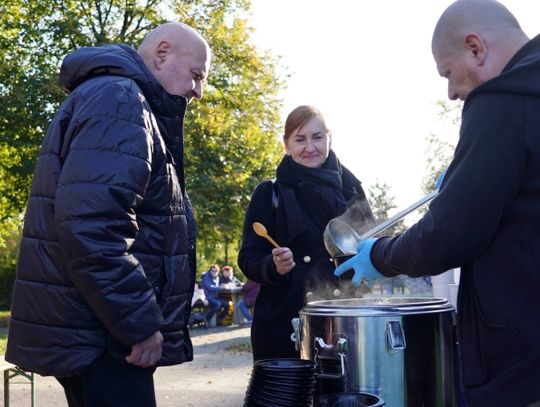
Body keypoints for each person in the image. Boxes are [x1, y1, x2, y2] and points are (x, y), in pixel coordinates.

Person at [335, 1, 540, 406]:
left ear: (475, 48)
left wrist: (380, 254)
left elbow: (448, 235)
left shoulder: (500, 100)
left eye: (447, 73)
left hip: (524, 364)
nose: (450, 93)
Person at [5, 22, 211, 407]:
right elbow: (93, 228)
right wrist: (139, 325)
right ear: (162, 53)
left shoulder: (117, 99)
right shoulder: (120, 100)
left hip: (96, 332)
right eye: (197, 75)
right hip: (105, 340)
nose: (198, 91)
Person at [238, 105, 372, 360]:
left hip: (346, 325)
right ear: (286, 144)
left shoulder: (352, 190)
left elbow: (371, 244)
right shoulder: (269, 194)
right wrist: (273, 265)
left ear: (329, 138)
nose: (310, 147)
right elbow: (248, 257)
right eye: (300, 139)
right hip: (283, 328)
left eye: (317, 137)